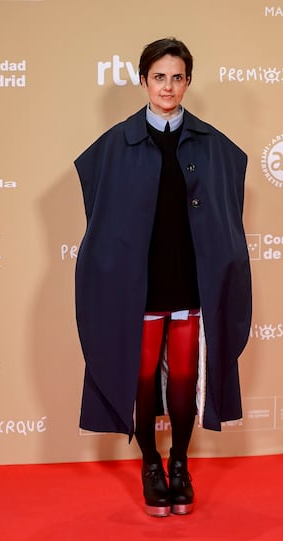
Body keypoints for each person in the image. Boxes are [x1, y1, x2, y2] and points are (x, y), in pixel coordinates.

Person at [74, 37, 252, 517]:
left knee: (185, 379)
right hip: (141, 286)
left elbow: (226, 216)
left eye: (177, 77)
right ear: (143, 81)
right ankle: (150, 462)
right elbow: (102, 216)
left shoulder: (215, 146)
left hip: (190, 282)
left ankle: (179, 462)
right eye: (159, 77)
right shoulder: (113, 146)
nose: (168, 86)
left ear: (188, 81)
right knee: (143, 376)